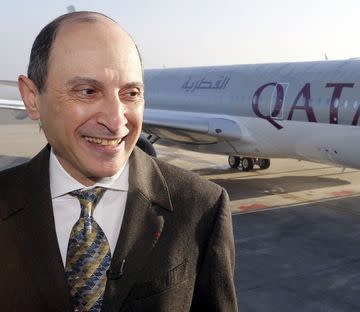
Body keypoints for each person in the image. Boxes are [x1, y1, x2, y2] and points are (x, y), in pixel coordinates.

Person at [0, 11, 237, 312]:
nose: (116, 121)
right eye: (87, 91)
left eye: (131, 93)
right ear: (32, 99)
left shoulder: (202, 207)